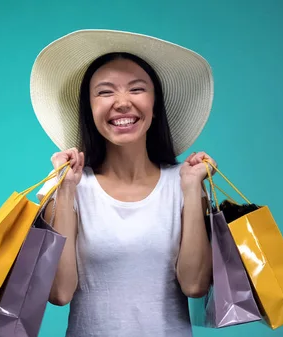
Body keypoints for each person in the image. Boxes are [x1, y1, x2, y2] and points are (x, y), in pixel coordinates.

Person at [30, 29, 217, 337]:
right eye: (104, 92)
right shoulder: (67, 187)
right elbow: (60, 293)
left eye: (136, 89)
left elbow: (195, 286)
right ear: (89, 111)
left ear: (155, 105)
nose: (121, 102)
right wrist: (64, 190)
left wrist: (190, 188)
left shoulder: (184, 183)